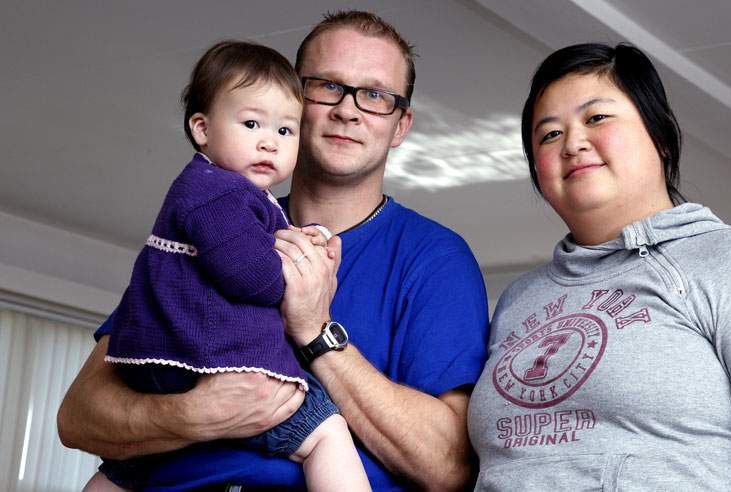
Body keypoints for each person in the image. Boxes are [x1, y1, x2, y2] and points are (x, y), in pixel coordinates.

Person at [58, 10, 489, 491]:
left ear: (401, 124)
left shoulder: (435, 258)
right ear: (292, 99)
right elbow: (77, 415)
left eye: (375, 95)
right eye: (326, 85)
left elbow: (447, 467)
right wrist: (193, 414)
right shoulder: (216, 219)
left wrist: (315, 332)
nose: (348, 110)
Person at [467, 43, 731, 490]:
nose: (572, 143)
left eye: (596, 118)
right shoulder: (520, 299)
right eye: (549, 134)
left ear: (662, 136)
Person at [84, 40, 369, 492]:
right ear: (201, 128)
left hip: (165, 362)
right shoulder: (221, 192)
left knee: (136, 459)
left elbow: (243, 249)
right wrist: (303, 279)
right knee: (326, 432)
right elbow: (250, 275)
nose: (267, 142)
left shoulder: (223, 192)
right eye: (252, 123)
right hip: (208, 361)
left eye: (285, 131)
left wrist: (303, 245)